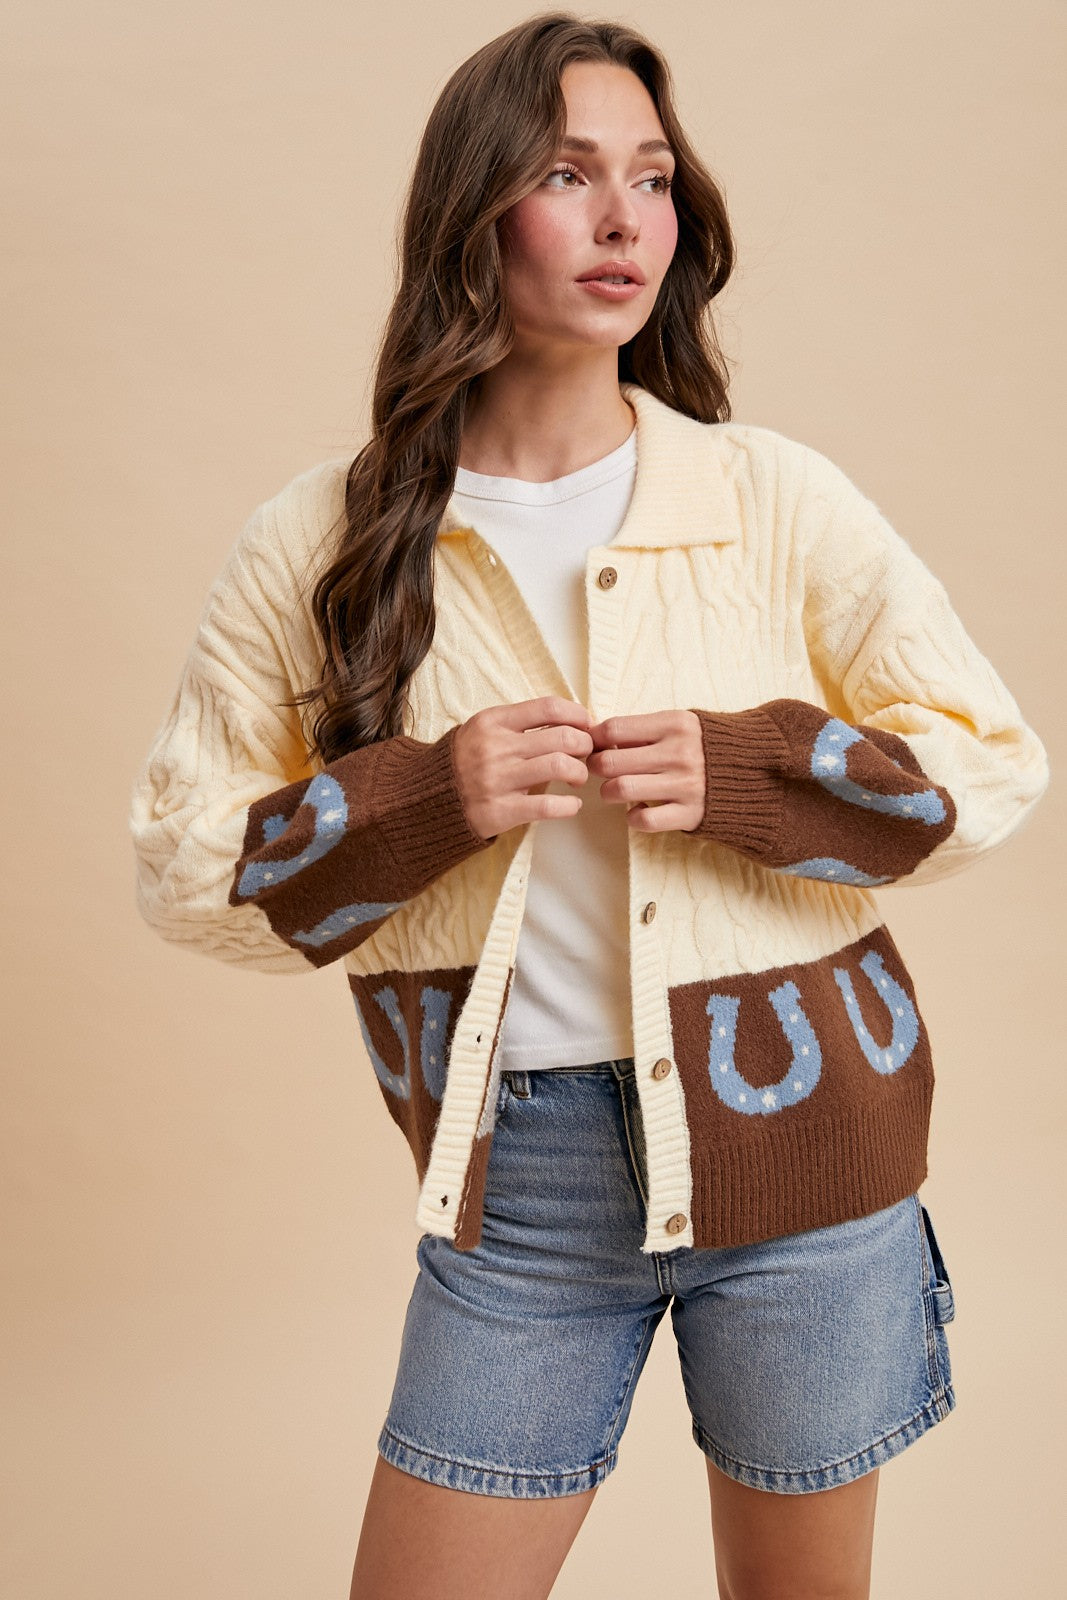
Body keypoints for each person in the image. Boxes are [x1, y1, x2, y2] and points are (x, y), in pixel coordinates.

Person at [128, 13, 1050, 1600]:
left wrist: (758, 774)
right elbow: (188, 873)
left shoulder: (771, 497)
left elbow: (994, 762)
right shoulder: (330, 541)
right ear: (475, 212)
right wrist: (429, 797)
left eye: (653, 177)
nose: (626, 219)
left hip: (807, 1156)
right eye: (568, 175)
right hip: (526, 1182)